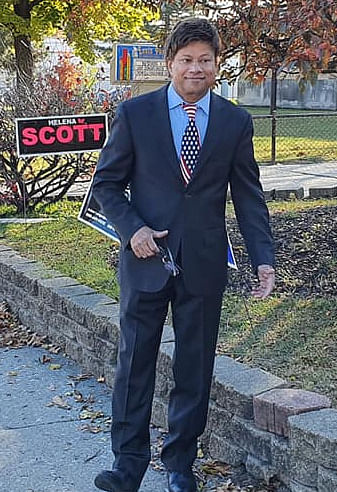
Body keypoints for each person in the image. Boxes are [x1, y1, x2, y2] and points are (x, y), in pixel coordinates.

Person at [91, 18, 276, 492]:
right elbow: (107, 186)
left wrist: (264, 259)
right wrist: (132, 230)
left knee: (195, 368)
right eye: (186, 60)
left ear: (217, 66)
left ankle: (179, 467)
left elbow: (249, 196)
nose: (196, 68)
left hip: (204, 264)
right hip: (145, 261)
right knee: (134, 365)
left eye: (205, 61)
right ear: (169, 63)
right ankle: (127, 466)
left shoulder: (236, 121)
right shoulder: (135, 115)